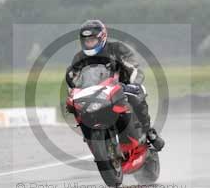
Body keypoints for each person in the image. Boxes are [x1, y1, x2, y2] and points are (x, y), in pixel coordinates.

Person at [66, 19, 165, 151]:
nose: (89, 43)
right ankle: (89, 135)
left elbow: (134, 67)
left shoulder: (116, 48)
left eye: (92, 40)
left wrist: (133, 82)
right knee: (75, 108)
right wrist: (72, 94)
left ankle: (149, 133)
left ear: (102, 37)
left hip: (120, 88)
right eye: (86, 41)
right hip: (93, 95)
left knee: (138, 92)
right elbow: (73, 78)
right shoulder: (79, 57)